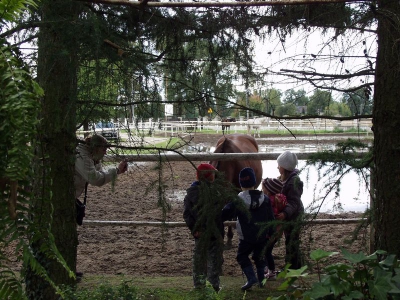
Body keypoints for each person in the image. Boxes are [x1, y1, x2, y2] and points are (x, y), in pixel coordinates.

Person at [74, 134, 128, 277]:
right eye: (104, 149)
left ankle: (68, 269)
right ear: (96, 148)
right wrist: (116, 171)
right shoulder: (83, 157)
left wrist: (116, 171)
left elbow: (99, 172)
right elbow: (96, 179)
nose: (105, 152)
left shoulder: (89, 156)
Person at [221, 167, 275, 290]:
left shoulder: (238, 200)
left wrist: (218, 217)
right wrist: (270, 232)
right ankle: (262, 280)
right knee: (259, 257)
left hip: (246, 237)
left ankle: (251, 277)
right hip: (261, 235)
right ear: (254, 182)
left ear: (241, 184)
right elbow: (271, 218)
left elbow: (226, 213)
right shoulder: (265, 199)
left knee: (242, 256)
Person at [183, 163, 224, 292]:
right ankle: (214, 285)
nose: (214, 176)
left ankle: (199, 285)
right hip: (214, 232)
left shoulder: (190, 195)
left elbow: (187, 215)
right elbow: (220, 213)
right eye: (212, 174)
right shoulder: (215, 193)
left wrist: (195, 229)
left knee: (199, 260)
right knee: (215, 260)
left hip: (200, 234)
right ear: (208, 176)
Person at [276, 150, 304, 270]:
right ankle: (294, 265)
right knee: (290, 239)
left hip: (293, 216)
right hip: (290, 215)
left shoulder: (293, 183)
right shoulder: (285, 179)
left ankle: (293, 267)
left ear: (285, 167)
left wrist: (285, 213)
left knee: (292, 241)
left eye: (279, 165)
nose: (277, 167)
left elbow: (294, 202)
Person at [261, 177, 287, 280]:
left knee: (267, 252)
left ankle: (271, 272)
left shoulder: (267, 201)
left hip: (269, 231)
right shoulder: (279, 199)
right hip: (277, 230)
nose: (262, 189)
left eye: (263, 188)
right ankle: (268, 269)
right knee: (268, 251)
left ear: (268, 189)